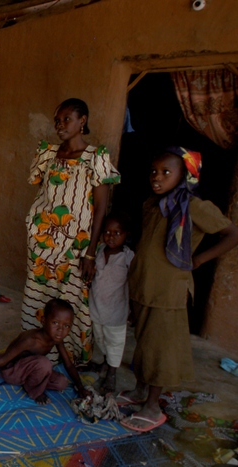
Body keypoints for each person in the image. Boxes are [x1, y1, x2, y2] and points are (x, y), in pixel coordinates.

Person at [119, 148, 238, 432]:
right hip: (144, 285)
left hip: (168, 291)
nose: (157, 177)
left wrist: (199, 259)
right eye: (154, 171)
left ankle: (152, 407)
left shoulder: (195, 207)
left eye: (166, 172)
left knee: (160, 348)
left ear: (184, 175)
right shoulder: (152, 203)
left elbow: (232, 234)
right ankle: (139, 391)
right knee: (145, 341)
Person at [21, 98, 120, 364]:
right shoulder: (48, 153)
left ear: (82, 121)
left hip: (75, 247)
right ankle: (36, 348)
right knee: (38, 294)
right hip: (43, 243)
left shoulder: (96, 158)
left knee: (71, 297)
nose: (60, 125)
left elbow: (100, 209)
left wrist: (90, 254)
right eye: (57, 120)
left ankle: (69, 355)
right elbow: (42, 191)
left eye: (66, 119)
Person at [0, 299, 91, 405]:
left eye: (66, 326)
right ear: (43, 321)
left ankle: (31, 381)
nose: (60, 330)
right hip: (12, 371)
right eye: (55, 323)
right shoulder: (30, 340)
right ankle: (34, 391)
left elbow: (68, 364)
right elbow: (2, 360)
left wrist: (80, 387)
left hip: (30, 369)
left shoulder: (56, 339)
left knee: (62, 383)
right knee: (45, 363)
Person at [88, 212, 134, 394]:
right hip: (97, 307)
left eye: (117, 233)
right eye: (107, 232)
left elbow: (134, 282)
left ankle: (112, 374)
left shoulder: (128, 257)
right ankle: (106, 363)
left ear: (125, 235)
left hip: (116, 310)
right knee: (100, 338)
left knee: (115, 342)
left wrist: (133, 308)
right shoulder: (98, 251)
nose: (111, 237)